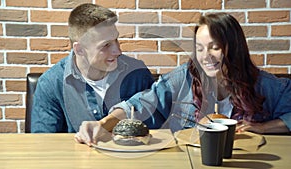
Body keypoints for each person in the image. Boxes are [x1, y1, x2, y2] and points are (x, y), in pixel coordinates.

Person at [75, 12, 291, 146]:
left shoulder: (264, 84)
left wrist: (264, 127)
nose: (205, 56)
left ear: (233, 48)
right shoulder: (184, 78)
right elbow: (141, 104)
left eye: (214, 47)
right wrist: (103, 124)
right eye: (199, 48)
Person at [31, 3, 155, 133]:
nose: (118, 51)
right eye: (106, 45)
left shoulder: (138, 73)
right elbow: (43, 142)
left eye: (116, 40)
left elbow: (158, 129)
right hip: (76, 153)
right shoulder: (51, 83)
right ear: (79, 50)